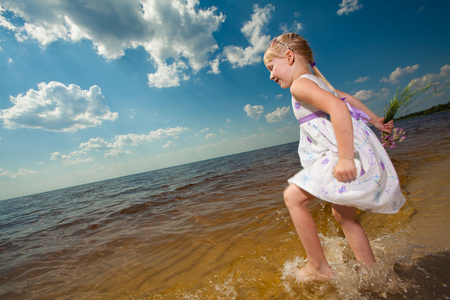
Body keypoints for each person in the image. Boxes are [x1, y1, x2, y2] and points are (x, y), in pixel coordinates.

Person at [264, 33, 406, 281]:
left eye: (271, 67)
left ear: (289, 57)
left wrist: (346, 159)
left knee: (293, 197)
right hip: (349, 148)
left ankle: (318, 267)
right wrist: (374, 120)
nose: (271, 75)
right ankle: (372, 272)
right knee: (343, 216)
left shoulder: (301, 85)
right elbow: (346, 98)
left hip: (342, 151)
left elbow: (339, 108)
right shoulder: (317, 82)